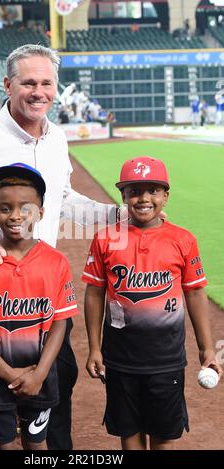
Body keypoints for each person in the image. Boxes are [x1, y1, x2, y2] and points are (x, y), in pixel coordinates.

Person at [0, 44, 116, 450]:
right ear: (7, 84)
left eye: (47, 83)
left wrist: (118, 217)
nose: (38, 91)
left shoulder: (56, 137)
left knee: (57, 383)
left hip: (45, 290)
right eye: (28, 82)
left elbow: (62, 201)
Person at [82, 156, 222, 450]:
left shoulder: (182, 240)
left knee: (163, 434)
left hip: (166, 359)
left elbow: (195, 292)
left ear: (165, 195)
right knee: (129, 432)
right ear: (123, 195)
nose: (143, 198)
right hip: (120, 358)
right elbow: (95, 292)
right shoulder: (106, 239)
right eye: (134, 190)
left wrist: (205, 348)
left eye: (152, 190)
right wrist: (95, 347)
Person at [0, 163, 78, 450]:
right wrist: (8, 373)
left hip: (40, 377)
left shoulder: (55, 261)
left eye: (26, 207)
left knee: (38, 445)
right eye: (6, 208)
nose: (16, 215)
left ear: (41, 213)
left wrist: (40, 373)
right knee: (2, 446)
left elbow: (60, 323)